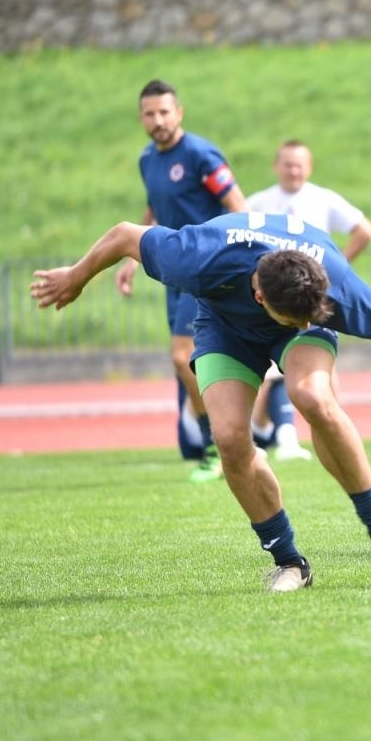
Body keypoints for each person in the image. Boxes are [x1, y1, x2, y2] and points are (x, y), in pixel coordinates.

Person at [30, 211, 371, 592]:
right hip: (225, 324)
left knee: (313, 397)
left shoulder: (329, 285)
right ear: (260, 294)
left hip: (295, 301)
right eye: (294, 319)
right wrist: (76, 276)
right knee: (229, 437)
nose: (303, 324)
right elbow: (125, 235)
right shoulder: (198, 256)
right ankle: (289, 562)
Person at [113, 79, 246, 483]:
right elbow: (154, 207)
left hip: (205, 269)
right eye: (150, 114)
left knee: (181, 354)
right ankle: (226, 443)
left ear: (179, 113)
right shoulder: (147, 160)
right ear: (141, 118)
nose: (158, 120)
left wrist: (232, 258)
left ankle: (218, 446)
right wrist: (132, 257)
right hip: (173, 272)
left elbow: (238, 207)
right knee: (193, 359)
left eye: (164, 112)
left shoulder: (201, 154)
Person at [244, 140, 371, 461]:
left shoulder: (323, 199)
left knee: (322, 364)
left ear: (309, 167)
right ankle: (269, 433)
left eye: (299, 165)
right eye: (288, 164)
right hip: (272, 298)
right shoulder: (258, 202)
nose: (294, 171)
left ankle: (333, 433)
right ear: (277, 166)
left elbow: (365, 231)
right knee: (277, 367)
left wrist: (333, 269)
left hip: (309, 296)